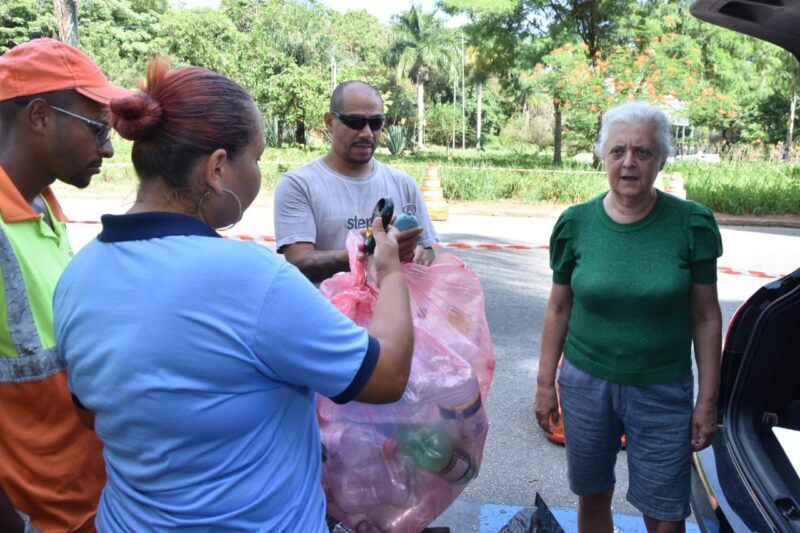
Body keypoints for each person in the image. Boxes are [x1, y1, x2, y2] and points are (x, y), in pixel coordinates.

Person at [52, 58, 415, 532]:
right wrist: (388, 271)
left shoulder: (78, 274)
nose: (259, 175)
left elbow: (89, 405)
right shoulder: (250, 277)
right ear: (218, 168)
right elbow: (386, 376)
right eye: (257, 158)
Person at [534, 101, 723, 533]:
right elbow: (558, 307)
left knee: (665, 511)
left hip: (662, 387)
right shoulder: (575, 224)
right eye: (618, 151)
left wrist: (708, 400)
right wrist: (545, 385)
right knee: (593, 494)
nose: (629, 163)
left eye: (643, 152)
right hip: (585, 384)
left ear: (661, 159)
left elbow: (706, 316)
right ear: (603, 156)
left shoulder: (692, 224)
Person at [0, 38, 131, 532]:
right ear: (39, 116)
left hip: (83, 505)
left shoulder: (43, 208)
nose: (108, 145)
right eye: (97, 126)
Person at [274, 80, 438, 283]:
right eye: (355, 121)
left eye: (376, 123)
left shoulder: (404, 183)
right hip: (328, 313)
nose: (367, 133)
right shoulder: (298, 185)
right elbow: (300, 262)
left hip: (391, 312)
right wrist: (369, 251)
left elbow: (428, 250)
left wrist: (419, 254)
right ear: (329, 122)